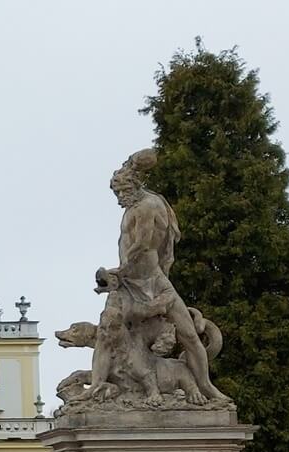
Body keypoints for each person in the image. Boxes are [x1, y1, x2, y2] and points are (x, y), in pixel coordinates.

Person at [89, 149, 225, 405]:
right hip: (129, 283)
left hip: (152, 281)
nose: (118, 198)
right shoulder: (133, 207)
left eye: (121, 192)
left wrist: (117, 272)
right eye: (116, 193)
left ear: (132, 186)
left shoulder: (148, 205)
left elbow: (141, 244)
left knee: (189, 335)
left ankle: (205, 385)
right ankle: (96, 385)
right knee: (106, 331)